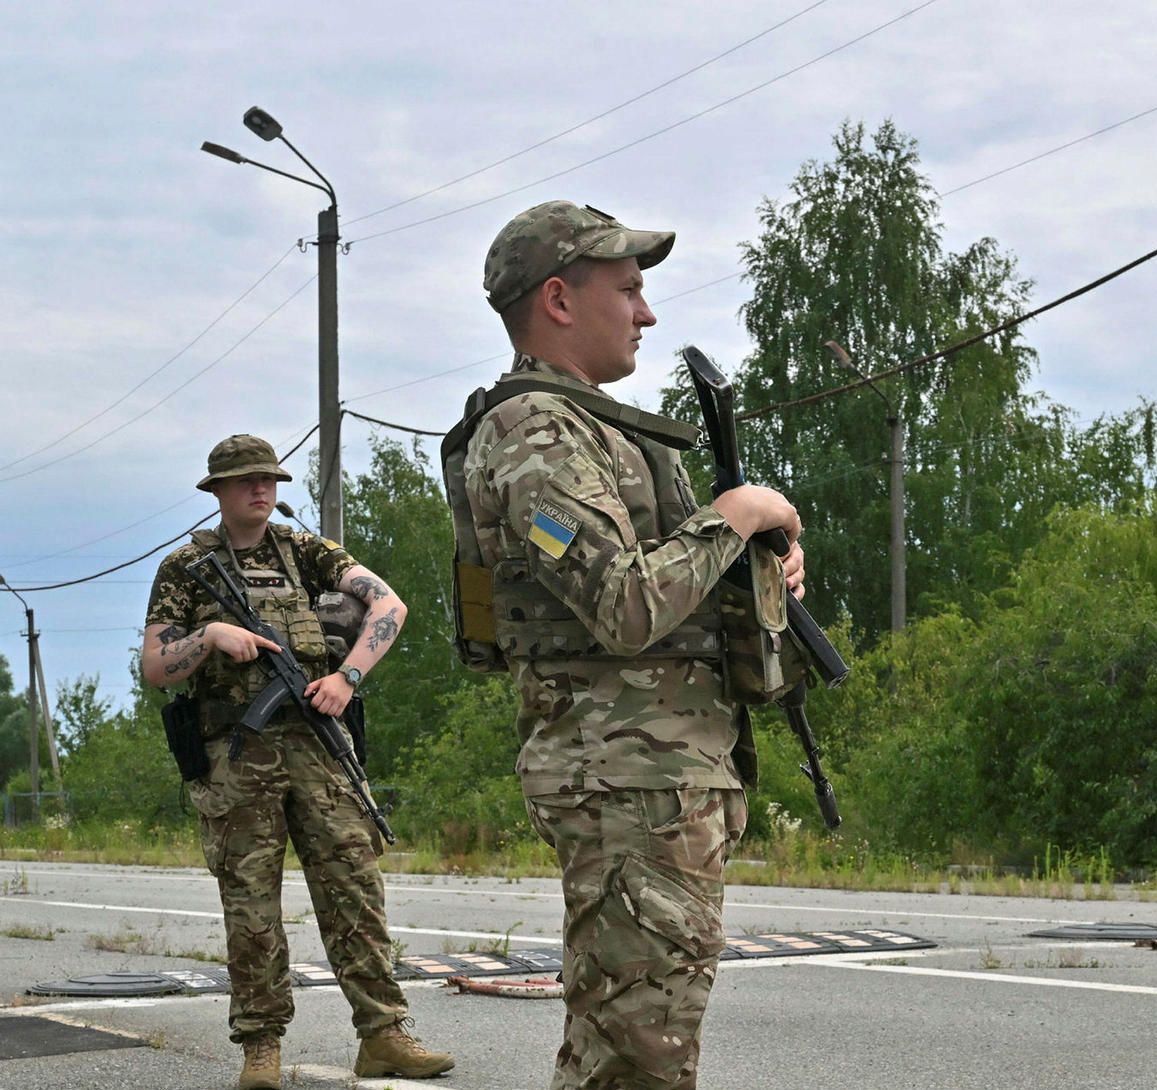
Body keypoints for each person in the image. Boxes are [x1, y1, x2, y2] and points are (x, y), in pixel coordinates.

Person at [451, 200, 805, 1089]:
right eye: (631, 290)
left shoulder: (592, 428)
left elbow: (663, 577)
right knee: (640, 1058)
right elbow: (623, 601)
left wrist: (756, 565)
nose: (647, 313)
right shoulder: (531, 434)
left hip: (653, 778)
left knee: (622, 1048)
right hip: (623, 780)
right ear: (561, 300)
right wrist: (738, 514)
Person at [142, 435, 454, 1089]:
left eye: (269, 479)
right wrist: (208, 636)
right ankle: (261, 1047)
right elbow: (154, 667)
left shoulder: (305, 551)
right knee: (251, 905)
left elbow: (388, 605)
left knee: (355, 886)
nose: (262, 488)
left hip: (317, 742)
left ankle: (383, 1034)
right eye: (247, 480)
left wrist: (347, 677)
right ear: (220, 491)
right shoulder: (184, 567)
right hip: (235, 753)